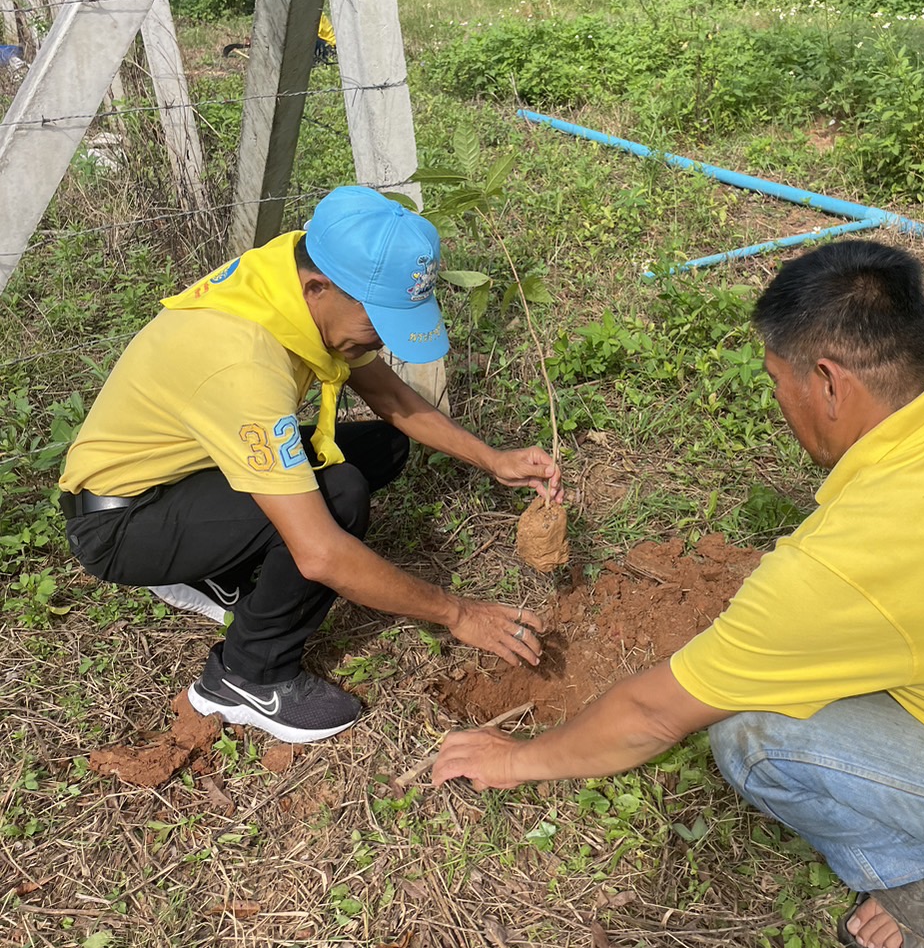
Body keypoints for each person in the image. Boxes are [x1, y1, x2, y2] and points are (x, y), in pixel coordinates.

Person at [433, 239, 924, 948]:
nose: (778, 401)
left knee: (753, 737)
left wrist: (517, 758)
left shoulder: (839, 570)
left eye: (776, 380)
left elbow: (651, 715)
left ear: (828, 382)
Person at [60, 185, 561, 745]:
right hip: (122, 522)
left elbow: (388, 395)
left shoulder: (293, 275)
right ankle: (248, 675)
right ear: (317, 288)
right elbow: (321, 553)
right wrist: (458, 613)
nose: (382, 342)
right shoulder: (241, 361)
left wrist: (493, 459)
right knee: (340, 496)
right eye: (377, 323)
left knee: (383, 446)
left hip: (187, 469)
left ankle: (219, 567)